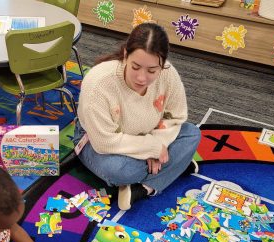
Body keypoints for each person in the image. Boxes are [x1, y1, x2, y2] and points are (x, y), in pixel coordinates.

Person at [73, 23, 201, 211]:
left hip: (148, 135)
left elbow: (175, 117)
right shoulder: (99, 83)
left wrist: (156, 144)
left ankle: (145, 187)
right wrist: (151, 148)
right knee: (120, 171)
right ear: (125, 55)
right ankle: (175, 166)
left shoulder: (168, 73)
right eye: (135, 67)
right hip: (97, 142)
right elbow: (104, 142)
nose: (142, 78)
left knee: (192, 134)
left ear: (162, 64)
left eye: (151, 71)